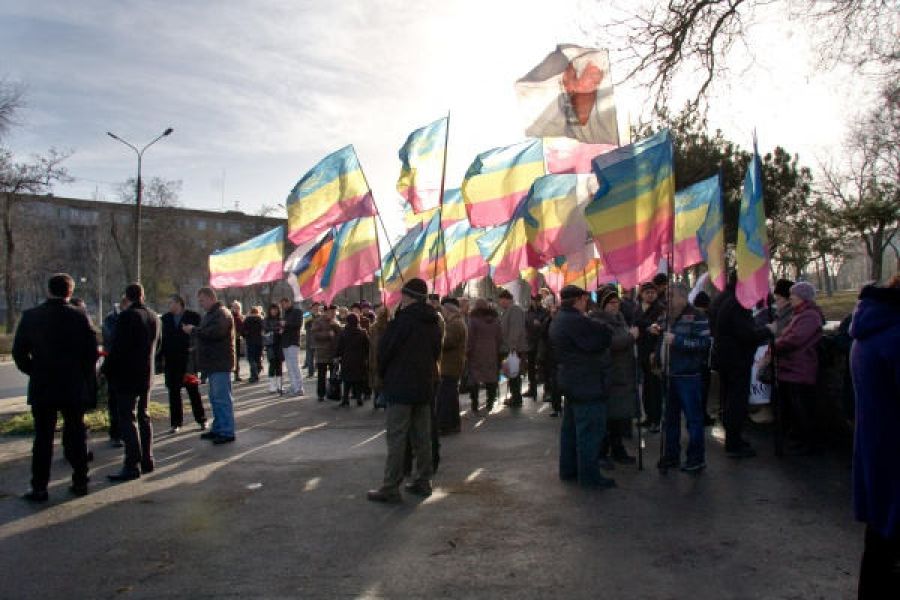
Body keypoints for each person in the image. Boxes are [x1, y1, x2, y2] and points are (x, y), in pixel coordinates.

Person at [13, 273, 98, 501]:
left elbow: (19, 353)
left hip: (43, 385)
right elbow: (92, 352)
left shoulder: (31, 316)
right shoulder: (80, 316)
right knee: (76, 434)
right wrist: (81, 374)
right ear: (70, 292)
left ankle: (39, 486)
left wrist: (34, 370)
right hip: (72, 385)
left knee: (43, 438)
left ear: (48, 290)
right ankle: (80, 481)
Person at [367, 278, 443, 503]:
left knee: (397, 438)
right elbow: (436, 352)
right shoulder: (433, 321)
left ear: (408, 296)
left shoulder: (401, 322)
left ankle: (391, 486)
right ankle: (424, 480)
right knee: (423, 437)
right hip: (424, 385)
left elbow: (384, 352)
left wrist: (383, 375)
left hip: (400, 386)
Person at [850, 274, 900, 597]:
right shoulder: (894, 336)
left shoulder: (874, 327)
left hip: (879, 462)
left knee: (879, 553)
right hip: (894, 465)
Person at [549, 285, 614, 489]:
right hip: (586, 382)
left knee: (571, 431)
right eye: (585, 299)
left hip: (571, 381)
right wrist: (598, 320)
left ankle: (569, 470)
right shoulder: (576, 321)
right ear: (579, 300)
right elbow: (603, 336)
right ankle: (589, 477)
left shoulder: (560, 319)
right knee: (589, 432)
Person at [710, 272, 771, 458]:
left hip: (726, 358)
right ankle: (734, 442)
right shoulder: (738, 303)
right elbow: (746, 334)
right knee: (736, 401)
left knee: (730, 400)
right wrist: (768, 330)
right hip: (736, 359)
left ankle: (734, 438)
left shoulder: (726, 299)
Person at [104, 283, 160, 481]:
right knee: (144, 416)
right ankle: (147, 459)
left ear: (126, 297)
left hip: (127, 375)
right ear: (142, 295)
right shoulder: (153, 316)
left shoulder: (127, 317)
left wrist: (105, 370)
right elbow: (157, 346)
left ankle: (132, 463)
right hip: (145, 374)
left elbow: (117, 347)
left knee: (127, 418)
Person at [657, 284, 712, 472]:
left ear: (682, 297)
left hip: (688, 375)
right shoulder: (667, 316)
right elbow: (662, 338)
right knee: (669, 419)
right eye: (666, 295)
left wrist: (678, 341)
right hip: (669, 374)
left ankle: (696, 458)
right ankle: (671, 455)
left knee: (693, 419)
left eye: (671, 295)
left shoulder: (697, 316)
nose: (667, 299)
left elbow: (704, 342)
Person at [768, 281, 824, 455]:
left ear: (802, 297)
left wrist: (775, 345)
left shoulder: (809, 316)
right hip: (793, 367)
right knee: (796, 407)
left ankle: (809, 443)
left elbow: (794, 338)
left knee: (803, 408)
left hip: (800, 367)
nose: (790, 297)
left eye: (793, 295)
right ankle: (801, 439)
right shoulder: (800, 314)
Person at [592, 289, 640, 467]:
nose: (615, 306)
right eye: (611, 303)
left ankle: (618, 449)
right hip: (609, 374)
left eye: (617, 302)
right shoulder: (599, 321)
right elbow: (611, 343)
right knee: (608, 417)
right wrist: (631, 337)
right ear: (603, 305)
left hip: (622, 374)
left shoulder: (620, 318)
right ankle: (602, 452)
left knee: (618, 417)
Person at [184, 287, 236, 444]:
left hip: (220, 362)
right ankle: (219, 428)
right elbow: (207, 334)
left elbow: (215, 333)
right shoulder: (212, 314)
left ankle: (226, 431)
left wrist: (194, 330)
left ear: (211, 298)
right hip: (213, 363)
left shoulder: (222, 314)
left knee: (221, 399)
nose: (200, 303)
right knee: (215, 398)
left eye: (202, 300)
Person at [159, 294, 206, 434]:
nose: (169, 306)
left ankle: (201, 419)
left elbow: (201, 335)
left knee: (193, 391)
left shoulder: (193, 316)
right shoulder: (165, 319)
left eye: (171, 303)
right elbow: (161, 340)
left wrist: (195, 349)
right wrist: (160, 359)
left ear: (179, 303)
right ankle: (176, 423)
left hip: (188, 360)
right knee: (173, 393)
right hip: (171, 360)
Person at [635, 282, 665, 432]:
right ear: (641, 294)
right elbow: (635, 321)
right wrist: (647, 326)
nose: (650, 295)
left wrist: (646, 326)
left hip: (654, 353)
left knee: (655, 389)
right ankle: (648, 417)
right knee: (646, 387)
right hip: (642, 352)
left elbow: (659, 327)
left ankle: (656, 420)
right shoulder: (637, 308)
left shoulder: (660, 308)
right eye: (647, 292)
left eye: (653, 292)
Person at [466, 298, 503, 414]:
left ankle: (475, 404)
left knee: (474, 378)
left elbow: (470, 337)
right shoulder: (495, 320)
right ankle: (490, 402)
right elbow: (499, 337)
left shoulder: (473, 320)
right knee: (491, 377)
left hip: (476, 353)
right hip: (492, 352)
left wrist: (468, 351)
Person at [437, 297, 467, 434]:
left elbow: (447, 342)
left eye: (443, 310)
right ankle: (453, 423)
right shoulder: (455, 322)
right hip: (451, 365)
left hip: (450, 366)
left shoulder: (455, 324)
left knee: (446, 397)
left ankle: (446, 424)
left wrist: (438, 335)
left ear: (449, 310)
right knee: (450, 396)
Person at [101, 296, 128, 448]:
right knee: (114, 401)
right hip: (114, 366)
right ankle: (116, 433)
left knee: (126, 402)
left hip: (126, 366)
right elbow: (112, 339)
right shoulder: (111, 319)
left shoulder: (126, 318)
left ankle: (124, 432)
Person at [498, 289, 527, 407]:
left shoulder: (514, 310)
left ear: (507, 299)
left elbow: (515, 329)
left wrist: (512, 346)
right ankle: (514, 396)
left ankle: (516, 398)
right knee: (512, 374)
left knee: (514, 374)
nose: (500, 303)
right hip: (510, 347)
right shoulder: (508, 310)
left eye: (501, 300)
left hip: (514, 348)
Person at [692, 291, 716, 426]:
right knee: (703, 388)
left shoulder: (690, 316)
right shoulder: (706, 317)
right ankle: (701, 416)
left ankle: (698, 415)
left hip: (695, 359)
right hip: (704, 359)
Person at [335, 313, 369, 407]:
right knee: (358, 381)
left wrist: (337, 356)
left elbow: (339, 347)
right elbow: (367, 347)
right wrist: (366, 357)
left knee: (347, 381)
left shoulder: (343, 333)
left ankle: (345, 399)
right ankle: (359, 399)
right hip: (359, 360)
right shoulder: (362, 333)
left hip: (346, 360)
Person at [311, 305, 343, 401]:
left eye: (334, 312)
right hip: (322, 352)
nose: (333, 314)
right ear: (326, 312)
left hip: (334, 352)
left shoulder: (336, 321)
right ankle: (321, 394)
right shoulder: (318, 321)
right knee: (322, 374)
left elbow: (340, 334)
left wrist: (336, 326)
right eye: (331, 312)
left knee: (334, 374)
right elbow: (314, 335)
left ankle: (333, 392)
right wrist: (327, 334)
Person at [279, 297, 305, 397]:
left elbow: (298, 324)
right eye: (282, 305)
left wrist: (286, 324)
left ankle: (299, 388)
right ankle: (294, 386)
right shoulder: (285, 313)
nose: (283, 306)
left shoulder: (297, 311)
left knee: (295, 366)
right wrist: (282, 329)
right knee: (289, 367)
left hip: (293, 342)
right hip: (285, 342)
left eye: (284, 304)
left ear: (288, 302)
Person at [525, 295, 548, 398]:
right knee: (531, 368)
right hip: (530, 343)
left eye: (537, 300)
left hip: (541, 343)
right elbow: (525, 326)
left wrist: (540, 325)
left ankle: (547, 390)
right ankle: (532, 389)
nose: (535, 302)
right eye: (533, 300)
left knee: (543, 367)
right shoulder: (527, 313)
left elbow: (547, 326)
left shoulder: (545, 312)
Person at [368, 305, 391, 407]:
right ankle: (383, 400)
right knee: (385, 379)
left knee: (376, 378)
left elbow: (371, 343)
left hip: (375, 356)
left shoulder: (374, 327)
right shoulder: (390, 326)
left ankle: (377, 399)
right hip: (385, 356)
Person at [263, 303, 284, 394]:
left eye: (276, 309)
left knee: (279, 364)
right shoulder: (266, 319)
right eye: (272, 309)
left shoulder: (281, 319)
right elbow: (266, 328)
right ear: (269, 310)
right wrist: (277, 330)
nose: (274, 311)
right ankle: (272, 386)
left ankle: (280, 385)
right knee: (272, 363)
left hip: (280, 344)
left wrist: (275, 330)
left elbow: (283, 328)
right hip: (270, 344)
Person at [242, 306, 264, 383]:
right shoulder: (261, 319)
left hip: (250, 341)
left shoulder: (247, 320)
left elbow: (243, 331)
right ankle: (257, 372)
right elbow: (264, 330)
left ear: (250, 312)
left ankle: (254, 375)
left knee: (251, 358)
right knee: (258, 358)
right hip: (259, 341)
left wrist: (245, 335)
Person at [303, 302, 322, 377]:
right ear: (312, 307)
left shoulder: (321, 316)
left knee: (319, 357)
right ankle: (310, 373)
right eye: (315, 306)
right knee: (310, 357)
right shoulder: (307, 315)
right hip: (310, 339)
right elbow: (306, 326)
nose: (316, 308)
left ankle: (319, 371)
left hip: (319, 339)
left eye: (318, 306)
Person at [230, 301, 244, 382]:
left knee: (237, 357)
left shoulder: (240, 317)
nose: (236, 309)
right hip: (230, 339)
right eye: (235, 307)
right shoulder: (230, 316)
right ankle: (232, 374)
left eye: (238, 308)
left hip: (237, 339)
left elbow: (242, 328)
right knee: (231, 357)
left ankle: (236, 374)